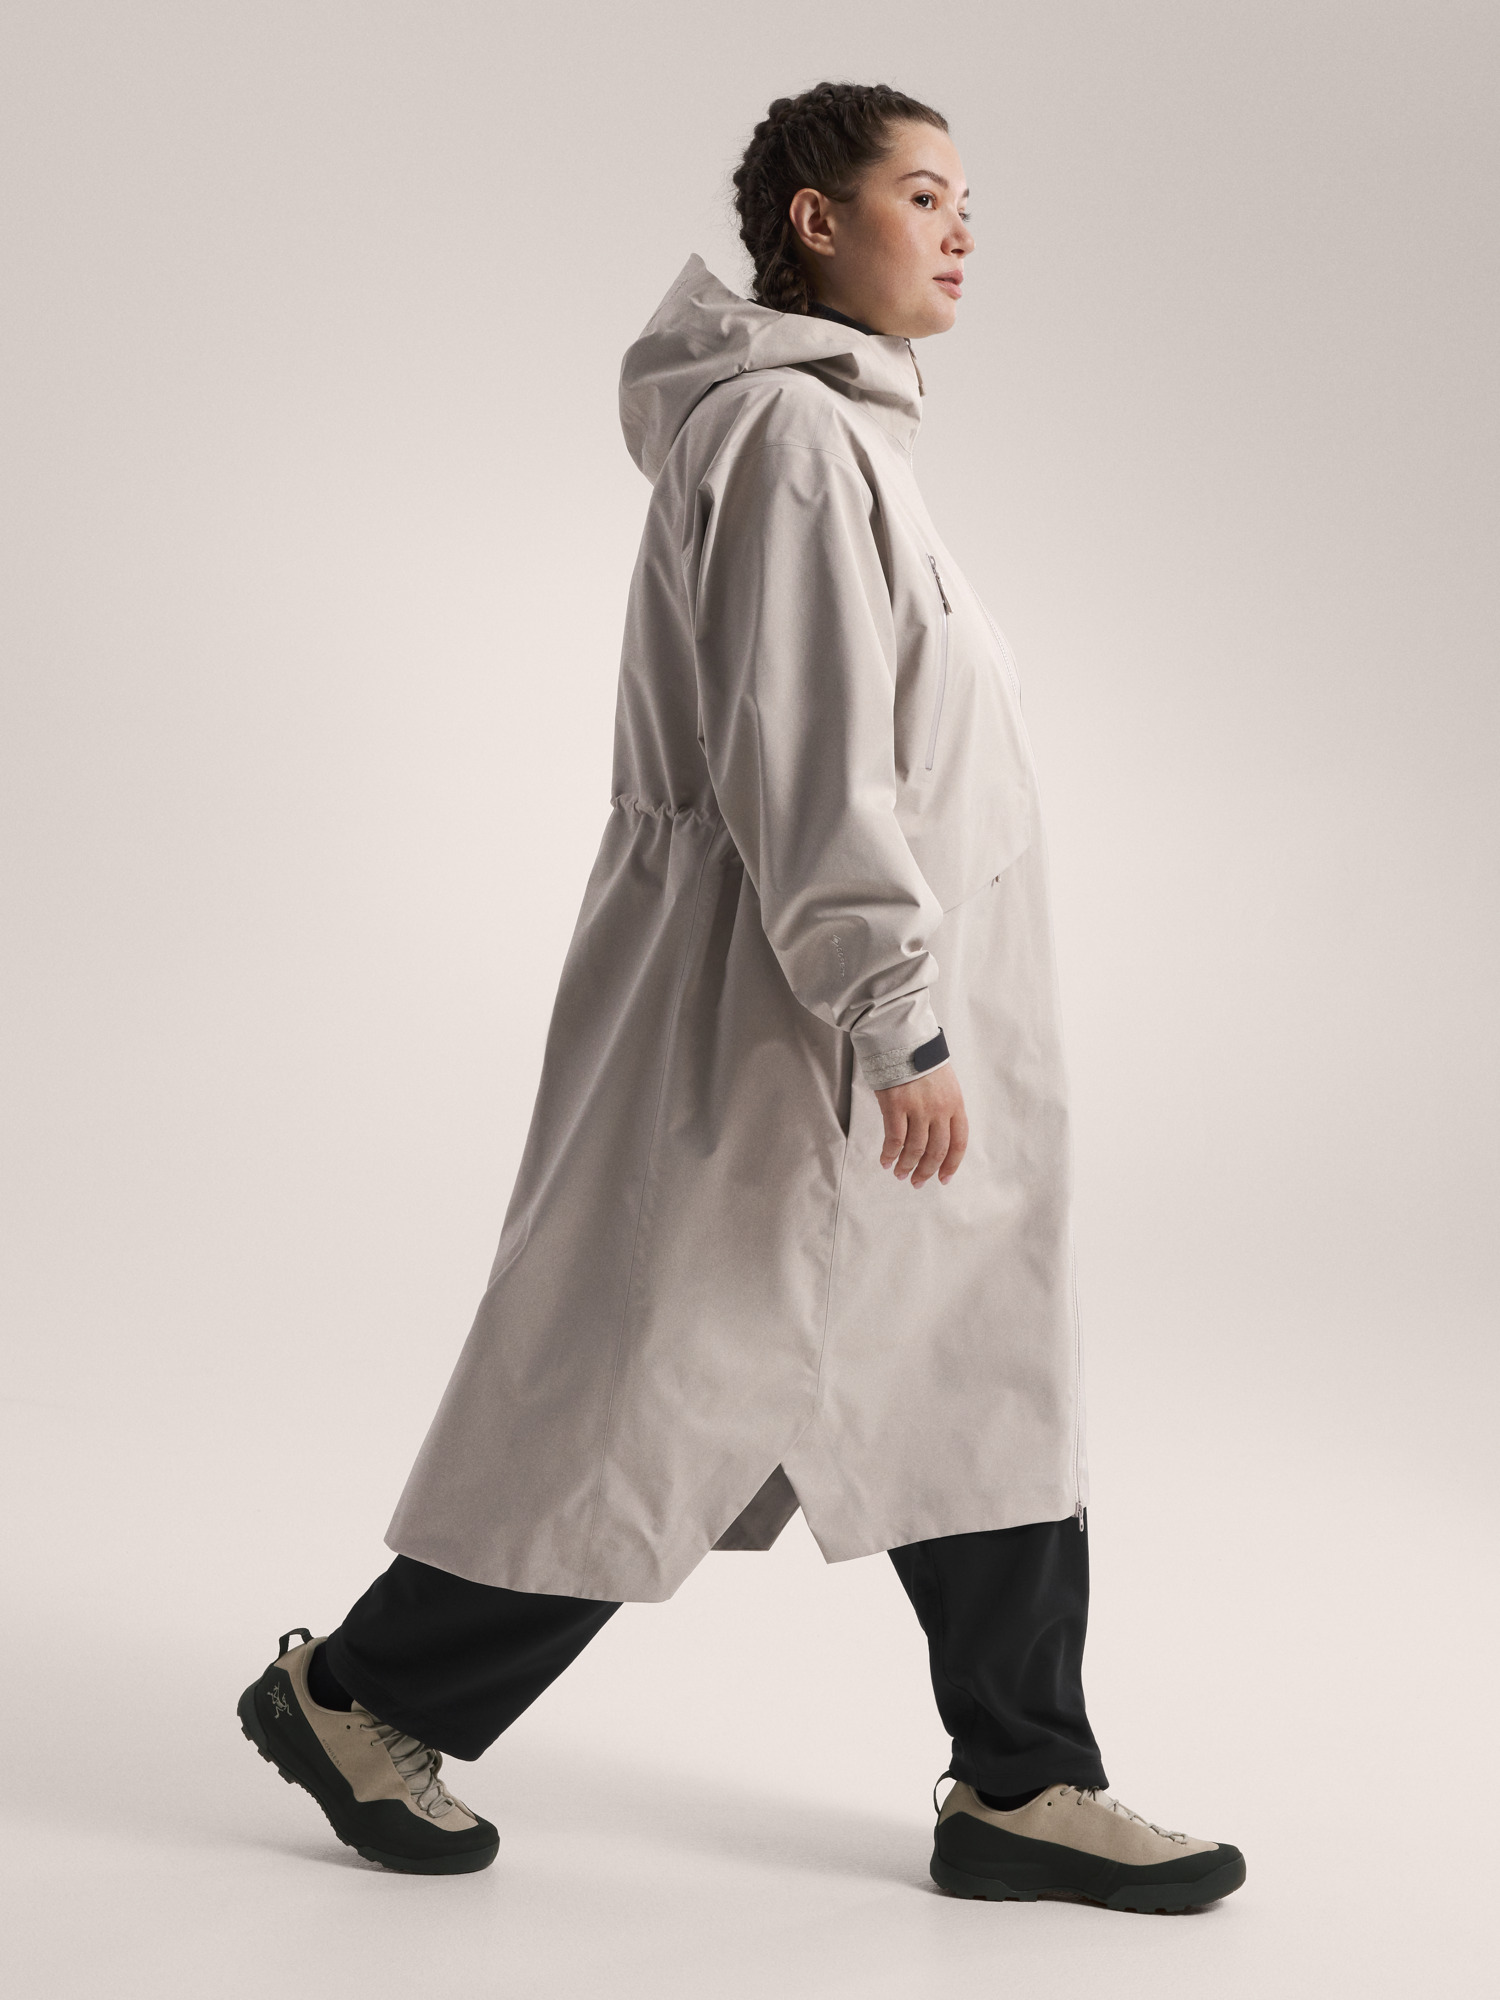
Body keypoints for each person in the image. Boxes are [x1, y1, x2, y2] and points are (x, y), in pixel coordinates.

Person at [238, 81, 1244, 1911]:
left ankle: (1025, 1781)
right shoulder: (788, 433)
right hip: (802, 1012)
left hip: (866, 997)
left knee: (970, 1367)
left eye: (968, 198)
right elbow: (809, 762)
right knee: (657, 1377)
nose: (962, 227)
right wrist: (895, 1011)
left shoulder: (842, 434)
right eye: (922, 193)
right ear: (813, 221)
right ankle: (360, 1695)